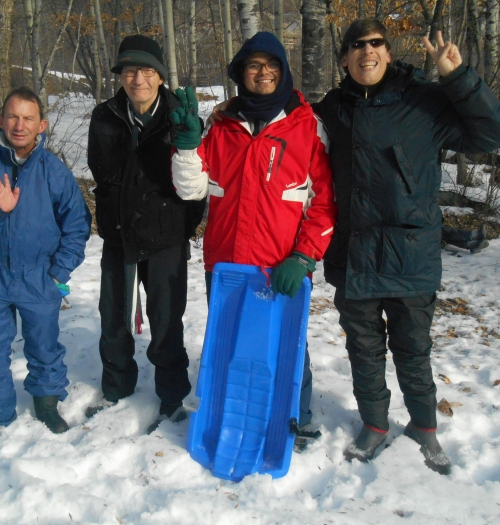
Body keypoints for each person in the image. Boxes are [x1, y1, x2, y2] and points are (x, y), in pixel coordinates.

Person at [312, 19, 500, 474]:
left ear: (388, 49)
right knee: (363, 350)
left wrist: (458, 79)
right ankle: (375, 425)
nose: (367, 52)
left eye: (376, 43)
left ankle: (424, 427)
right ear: (344, 58)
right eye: (357, 45)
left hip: (410, 253)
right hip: (355, 253)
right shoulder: (333, 110)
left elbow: (491, 134)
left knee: (413, 350)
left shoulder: (425, 100)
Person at [170, 31, 338, 445]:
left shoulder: (307, 127)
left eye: (271, 65)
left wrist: (304, 256)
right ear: (240, 73)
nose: (262, 73)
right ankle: (229, 410)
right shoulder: (221, 125)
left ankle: (296, 413)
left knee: (286, 343)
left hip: (280, 263)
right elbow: (191, 189)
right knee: (227, 339)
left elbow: (324, 203)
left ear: (283, 72)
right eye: (253, 65)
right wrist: (188, 147)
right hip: (226, 262)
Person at [0, 86, 92, 441]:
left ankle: (45, 404)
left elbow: (77, 225)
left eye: (28, 118)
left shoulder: (54, 171)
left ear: (41, 124)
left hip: (38, 274)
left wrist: (57, 272)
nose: (19, 124)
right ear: (0, 120)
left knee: (44, 345)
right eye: (12, 116)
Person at [85, 35, 206, 433]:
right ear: (121, 75)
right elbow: (101, 173)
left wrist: (178, 229)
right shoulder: (105, 117)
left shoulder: (181, 116)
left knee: (166, 319)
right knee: (113, 316)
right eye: (130, 71)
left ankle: (171, 396)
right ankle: (117, 386)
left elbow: (196, 188)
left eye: (147, 71)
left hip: (165, 236)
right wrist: (110, 215)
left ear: (160, 77)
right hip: (119, 234)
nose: (138, 79)